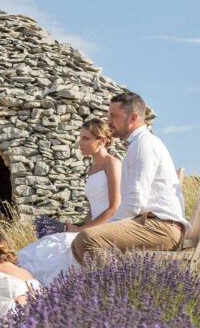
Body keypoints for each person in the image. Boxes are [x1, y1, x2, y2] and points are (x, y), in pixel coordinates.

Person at [72, 91, 187, 265]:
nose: (108, 121)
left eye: (114, 116)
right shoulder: (139, 144)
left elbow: (136, 198)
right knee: (80, 242)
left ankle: (117, 289)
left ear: (132, 118)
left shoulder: (143, 144)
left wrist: (108, 226)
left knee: (86, 240)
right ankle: (112, 286)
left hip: (161, 228)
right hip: (152, 225)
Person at [17, 118, 121, 285]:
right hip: (92, 225)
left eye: (86, 139)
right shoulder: (92, 169)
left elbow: (113, 208)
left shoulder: (112, 163)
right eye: (80, 138)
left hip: (107, 226)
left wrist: (82, 230)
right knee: (45, 245)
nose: (81, 143)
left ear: (101, 140)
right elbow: (92, 211)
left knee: (58, 248)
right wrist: (76, 226)